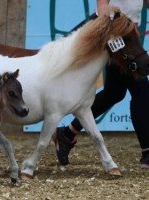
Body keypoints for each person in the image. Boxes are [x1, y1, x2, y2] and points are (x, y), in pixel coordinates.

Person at [53, 0, 149, 169]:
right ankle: (148, 153)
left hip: (127, 34)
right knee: (142, 90)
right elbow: (103, 6)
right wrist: (115, 35)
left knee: (115, 92)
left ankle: (66, 134)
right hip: (111, 32)